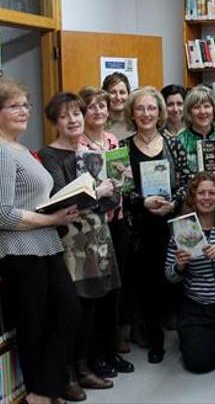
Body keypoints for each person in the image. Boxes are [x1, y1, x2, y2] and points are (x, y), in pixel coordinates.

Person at [0, 79, 81, 404]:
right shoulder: (3, 153)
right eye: (14, 106)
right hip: (21, 252)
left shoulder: (22, 148)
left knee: (65, 314)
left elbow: (31, 199)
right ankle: (40, 393)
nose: (24, 111)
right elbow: (3, 214)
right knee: (36, 325)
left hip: (46, 246)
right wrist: (53, 219)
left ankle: (43, 389)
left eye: (26, 105)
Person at [39, 93, 123, 396]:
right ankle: (68, 374)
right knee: (72, 309)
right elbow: (62, 200)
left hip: (99, 238)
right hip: (70, 242)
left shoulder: (93, 151)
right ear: (55, 123)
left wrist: (100, 195)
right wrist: (97, 194)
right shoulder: (48, 154)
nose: (72, 120)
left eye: (76, 113)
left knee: (95, 307)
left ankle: (86, 366)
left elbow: (115, 194)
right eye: (64, 116)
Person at [122, 87, 193, 364]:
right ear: (132, 113)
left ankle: (181, 335)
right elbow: (121, 190)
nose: (146, 114)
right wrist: (143, 201)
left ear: (160, 112)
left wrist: (173, 203)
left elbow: (187, 181)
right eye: (140, 108)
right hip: (140, 228)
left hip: (171, 223)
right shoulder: (123, 147)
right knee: (148, 286)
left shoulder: (173, 143)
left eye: (151, 108)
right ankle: (155, 341)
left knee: (174, 280)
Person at [78, 86, 137, 360]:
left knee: (118, 285)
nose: (99, 111)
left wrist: (124, 179)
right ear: (83, 112)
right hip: (93, 227)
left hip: (119, 221)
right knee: (98, 288)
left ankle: (112, 348)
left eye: (102, 106)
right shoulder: (79, 145)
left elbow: (124, 186)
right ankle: (96, 352)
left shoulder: (114, 140)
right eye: (92, 107)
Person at [165, 173, 215, 374]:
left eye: (211, 193)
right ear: (193, 197)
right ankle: (212, 340)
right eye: (201, 193)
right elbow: (170, 275)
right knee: (199, 364)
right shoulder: (181, 229)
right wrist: (179, 265)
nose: (206, 198)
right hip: (198, 308)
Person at [102, 73, 132, 140]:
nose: (118, 97)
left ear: (128, 95)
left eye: (122, 92)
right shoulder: (98, 124)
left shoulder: (136, 124)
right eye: (112, 92)